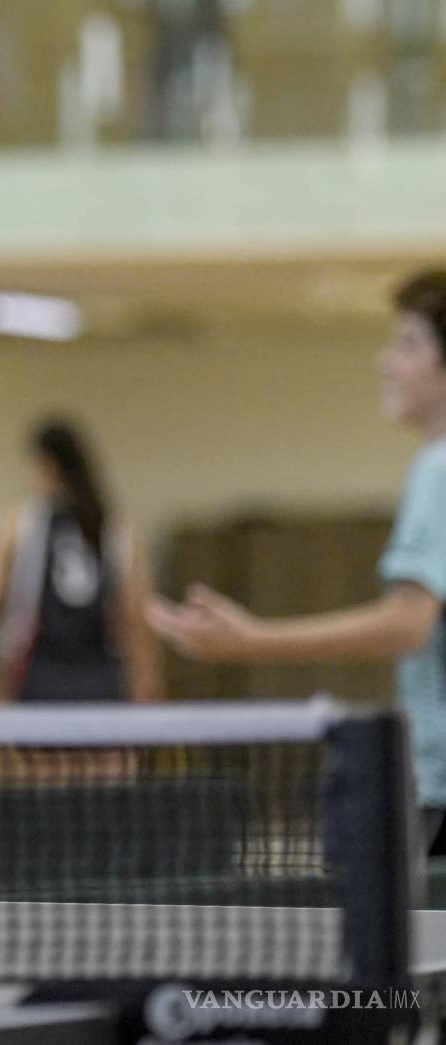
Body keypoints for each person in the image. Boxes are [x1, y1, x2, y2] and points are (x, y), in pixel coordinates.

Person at [147, 271, 446, 850]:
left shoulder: (438, 469)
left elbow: (409, 621)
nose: (385, 361)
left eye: (408, 343)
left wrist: (255, 640)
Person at [0, 419, 162, 704]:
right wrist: (147, 685)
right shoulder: (119, 531)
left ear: (46, 465)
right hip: (102, 687)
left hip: (39, 684)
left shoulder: (16, 527)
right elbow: (137, 622)